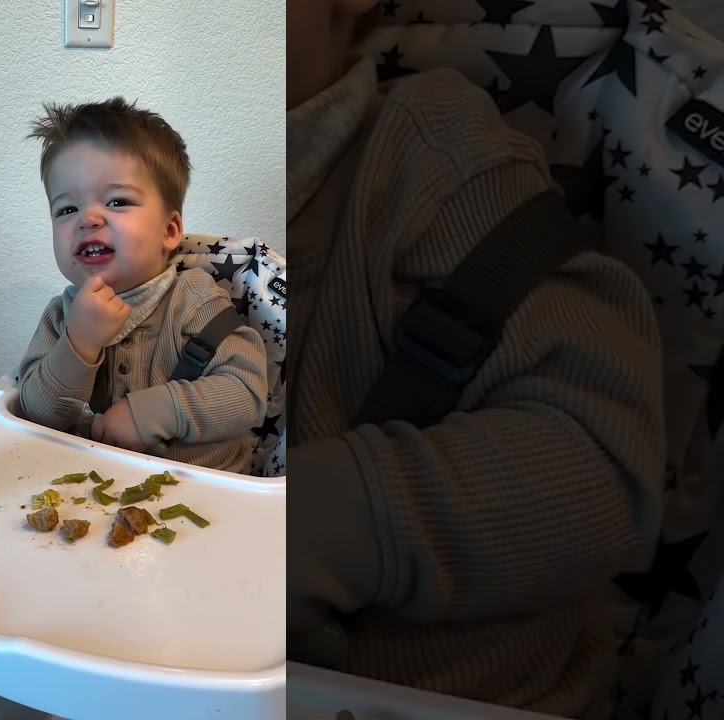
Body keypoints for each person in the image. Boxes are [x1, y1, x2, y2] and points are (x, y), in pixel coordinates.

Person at [284, 1, 665, 719]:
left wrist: (302, 524)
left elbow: (600, 461)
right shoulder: (121, 196)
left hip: (453, 692)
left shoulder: (432, 155)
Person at [15, 97, 268, 474]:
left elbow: (247, 392)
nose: (88, 218)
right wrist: (78, 345)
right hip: (88, 494)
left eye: (116, 201)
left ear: (169, 231)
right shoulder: (60, 317)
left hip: (209, 498)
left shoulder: (195, 300)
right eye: (67, 209)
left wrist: (152, 412)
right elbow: (34, 412)